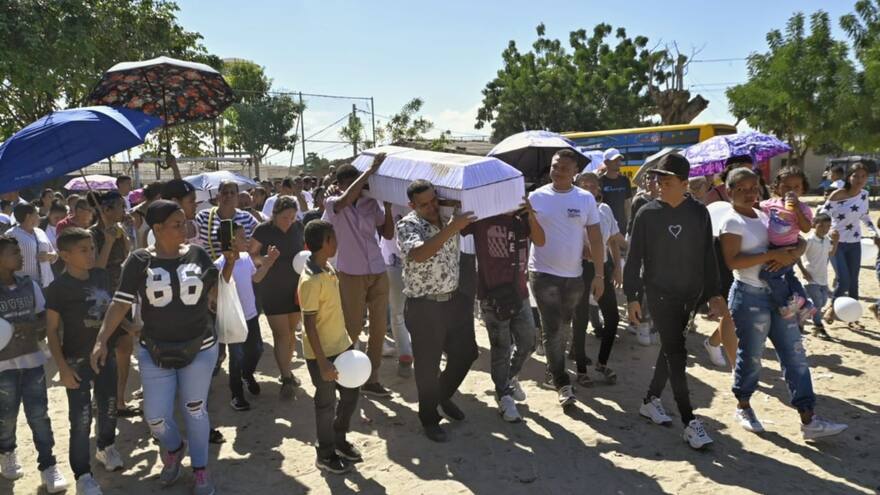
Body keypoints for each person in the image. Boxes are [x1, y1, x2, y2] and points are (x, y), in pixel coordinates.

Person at [91, 200, 231, 495]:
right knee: (154, 417)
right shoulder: (139, 260)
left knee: (195, 410)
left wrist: (230, 264)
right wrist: (102, 339)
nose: (185, 229)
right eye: (177, 224)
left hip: (200, 347)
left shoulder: (198, 254)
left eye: (185, 223)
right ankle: (174, 448)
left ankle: (201, 470)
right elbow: (120, 302)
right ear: (157, 228)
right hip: (154, 349)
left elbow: (218, 292)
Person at [720, 168, 848, 440]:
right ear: (729, 191)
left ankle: (808, 418)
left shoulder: (765, 212)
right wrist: (772, 255)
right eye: (741, 189)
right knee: (752, 356)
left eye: (753, 187)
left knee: (795, 355)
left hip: (781, 295)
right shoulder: (732, 222)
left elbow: (797, 238)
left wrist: (796, 253)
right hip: (750, 296)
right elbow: (732, 262)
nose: (748, 193)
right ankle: (743, 405)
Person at [624, 153, 727, 450]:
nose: (659, 184)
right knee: (677, 353)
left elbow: (708, 256)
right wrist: (632, 296)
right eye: (657, 179)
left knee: (671, 350)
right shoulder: (647, 213)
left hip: (689, 295)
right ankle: (689, 421)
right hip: (658, 293)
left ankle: (649, 401)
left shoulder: (698, 213)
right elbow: (634, 260)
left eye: (666, 180)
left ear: (684, 183)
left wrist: (713, 294)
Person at [45, 228, 126, 494]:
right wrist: (63, 368)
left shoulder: (101, 276)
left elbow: (111, 310)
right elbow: (52, 331)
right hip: (75, 362)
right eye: (84, 250)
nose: (91, 253)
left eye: (92, 248)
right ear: (65, 255)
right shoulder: (57, 289)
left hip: (105, 356)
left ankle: (105, 447)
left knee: (109, 406)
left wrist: (131, 325)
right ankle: (83, 475)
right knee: (80, 420)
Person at [397, 180, 478, 442]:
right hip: (424, 306)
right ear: (412, 205)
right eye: (425, 204)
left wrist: (453, 219)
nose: (432, 207)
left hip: (453, 302)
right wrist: (452, 227)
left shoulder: (446, 218)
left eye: (434, 200)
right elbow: (420, 253)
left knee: (467, 354)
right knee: (427, 366)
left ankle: (442, 396)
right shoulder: (407, 224)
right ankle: (429, 417)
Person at [528, 149, 606, 408]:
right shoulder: (536, 197)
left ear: (575, 172)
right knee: (552, 329)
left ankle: (554, 366)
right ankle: (563, 382)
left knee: (565, 326)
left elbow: (595, 238)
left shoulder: (585, 199)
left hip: (573, 277)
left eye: (564, 168)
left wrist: (599, 274)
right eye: (554, 166)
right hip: (542, 273)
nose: (558, 171)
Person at [464, 197, 543, 422]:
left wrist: (530, 214)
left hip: (520, 294)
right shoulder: (482, 219)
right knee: (501, 348)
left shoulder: (522, 220)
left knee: (528, 342)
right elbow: (458, 228)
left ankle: (509, 377)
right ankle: (503, 395)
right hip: (492, 296)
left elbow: (540, 240)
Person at [0, 235, 68, 491]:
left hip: (32, 361)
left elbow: (44, 319)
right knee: (5, 416)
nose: (20, 257)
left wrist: (32, 327)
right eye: (13, 253)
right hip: (2, 367)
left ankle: (48, 466)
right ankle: (7, 452)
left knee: (39, 415)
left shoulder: (30, 285)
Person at [322, 156, 394, 397]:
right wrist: (369, 171)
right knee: (352, 327)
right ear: (341, 184)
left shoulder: (371, 204)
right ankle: (343, 375)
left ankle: (371, 378)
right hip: (351, 273)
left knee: (379, 327)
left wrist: (390, 205)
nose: (360, 187)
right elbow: (344, 200)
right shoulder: (333, 202)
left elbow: (387, 232)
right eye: (353, 183)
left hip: (377, 270)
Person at [297, 220, 362, 474]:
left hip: (342, 346)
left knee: (350, 394)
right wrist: (323, 362)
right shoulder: (311, 280)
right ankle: (324, 453)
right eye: (334, 238)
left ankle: (339, 439)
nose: (337, 242)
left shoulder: (327, 268)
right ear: (325, 242)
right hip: (321, 354)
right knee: (325, 403)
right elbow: (309, 325)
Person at [88, 192, 141, 420]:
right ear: (106, 210)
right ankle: (98, 399)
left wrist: (125, 236)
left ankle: (119, 401)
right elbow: (95, 269)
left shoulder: (119, 230)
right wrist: (108, 242)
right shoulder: (91, 235)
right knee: (103, 352)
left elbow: (128, 257)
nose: (125, 210)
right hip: (101, 299)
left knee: (125, 349)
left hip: (122, 295)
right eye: (120, 206)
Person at [572, 173, 623, 386]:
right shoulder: (573, 211)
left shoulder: (605, 210)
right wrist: (580, 247)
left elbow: (612, 241)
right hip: (579, 269)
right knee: (581, 319)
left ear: (598, 188)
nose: (589, 187)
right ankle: (581, 369)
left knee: (612, 318)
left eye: (593, 183)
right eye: (584, 184)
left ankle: (602, 363)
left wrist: (617, 268)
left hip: (602, 267)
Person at [250, 196, 304, 399]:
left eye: (292, 217)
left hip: (296, 288)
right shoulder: (263, 230)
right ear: (274, 215)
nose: (288, 221)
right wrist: (265, 259)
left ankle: (287, 371)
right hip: (272, 288)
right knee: (281, 334)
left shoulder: (299, 227)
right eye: (284, 217)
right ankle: (286, 377)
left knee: (290, 333)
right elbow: (251, 256)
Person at [215, 223, 273, 410]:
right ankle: (237, 395)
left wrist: (269, 262)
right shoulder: (220, 264)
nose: (246, 240)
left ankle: (247, 374)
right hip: (233, 319)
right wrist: (229, 260)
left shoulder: (247, 258)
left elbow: (256, 278)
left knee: (257, 350)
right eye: (241, 237)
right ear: (229, 241)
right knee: (236, 357)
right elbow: (222, 283)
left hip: (251, 315)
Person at [819, 162, 879, 327]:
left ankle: (853, 315)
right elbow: (822, 215)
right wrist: (829, 230)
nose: (859, 179)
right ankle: (832, 306)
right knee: (843, 280)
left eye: (863, 176)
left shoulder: (864, 195)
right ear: (849, 177)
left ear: (867, 178)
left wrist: (874, 232)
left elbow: (865, 217)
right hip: (836, 243)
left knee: (854, 282)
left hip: (854, 243)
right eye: (855, 175)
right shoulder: (838, 194)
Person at [758, 167, 815, 321]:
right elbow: (755, 208)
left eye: (796, 187)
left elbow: (806, 228)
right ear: (777, 187)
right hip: (772, 247)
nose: (791, 190)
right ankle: (805, 304)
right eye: (786, 186)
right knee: (789, 276)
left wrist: (796, 210)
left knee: (767, 275)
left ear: (803, 189)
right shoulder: (770, 204)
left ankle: (786, 304)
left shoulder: (803, 209)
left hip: (789, 249)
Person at [379, 204, 414, 378]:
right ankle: (406, 356)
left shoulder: (419, 197)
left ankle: (416, 356)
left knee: (409, 314)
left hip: (414, 264)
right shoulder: (384, 198)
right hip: (396, 264)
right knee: (400, 314)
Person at [797, 214, 839, 339]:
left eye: (828, 226)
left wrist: (836, 242)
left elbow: (831, 253)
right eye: (821, 225)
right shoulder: (809, 240)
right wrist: (804, 271)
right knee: (818, 302)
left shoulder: (826, 240)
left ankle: (800, 317)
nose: (825, 229)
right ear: (814, 225)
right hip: (811, 278)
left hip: (823, 278)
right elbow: (797, 256)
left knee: (822, 301)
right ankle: (818, 326)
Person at [194, 180, 258, 258]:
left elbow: (260, 238)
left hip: (241, 266)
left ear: (238, 197)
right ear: (218, 196)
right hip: (213, 268)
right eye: (225, 193)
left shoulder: (247, 218)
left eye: (232, 193)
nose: (229, 195)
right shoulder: (203, 216)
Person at [9, 203, 56, 288]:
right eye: (36, 214)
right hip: (24, 286)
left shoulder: (40, 232)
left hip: (46, 284)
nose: (39, 217)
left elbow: (54, 254)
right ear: (28, 216)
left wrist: (50, 256)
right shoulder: (11, 235)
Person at [598, 148, 632, 234]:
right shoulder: (599, 182)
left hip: (622, 227)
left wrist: (629, 223)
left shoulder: (625, 180)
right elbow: (598, 206)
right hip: (606, 227)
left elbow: (627, 204)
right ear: (606, 162)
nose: (618, 163)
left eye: (619, 160)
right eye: (615, 160)